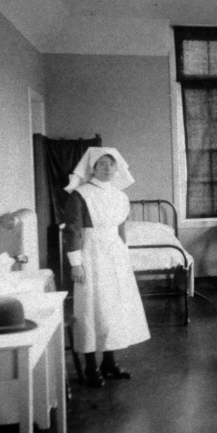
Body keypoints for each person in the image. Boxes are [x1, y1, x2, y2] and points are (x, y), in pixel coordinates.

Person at [63, 147, 150, 388]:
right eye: (102, 164)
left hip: (114, 256)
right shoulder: (80, 194)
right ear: (92, 167)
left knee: (113, 308)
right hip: (91, 254)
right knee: (92, 308)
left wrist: (123, 253)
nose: (108, 169)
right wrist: (76, 264)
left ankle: (109, 363)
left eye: (111, 164)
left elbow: (121, 228)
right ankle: (91, 367)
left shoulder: (119, 195)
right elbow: (72, 230)